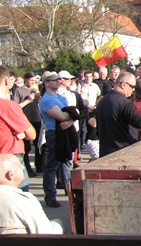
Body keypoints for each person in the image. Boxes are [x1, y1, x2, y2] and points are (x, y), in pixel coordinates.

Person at [0, 154, 63, 234]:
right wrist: (59, 224)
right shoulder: (22, 200)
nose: (23, 167)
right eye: (19, 165)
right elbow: (47, 234)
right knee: (58, 224)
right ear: (11, 175)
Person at [39, 72, 75, 208]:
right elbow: (61, 115)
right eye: (54, 80)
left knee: (67, 162)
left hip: (64, 132)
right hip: (54, 133)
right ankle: (50, 195)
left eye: (58, 79)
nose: (58, 81)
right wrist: (69, 116)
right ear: (46, 83)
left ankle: (69, 191)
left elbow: (73, 114)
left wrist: (70, 120)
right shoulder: (46, 99)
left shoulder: (61, 97)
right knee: (52, 165)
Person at [0, 66, 37, 192]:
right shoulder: (8, 106)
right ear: (6, 81)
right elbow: (31, 134)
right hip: (9, 159)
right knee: (19, 198)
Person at [11, 71, 41, 177]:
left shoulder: (35, 89)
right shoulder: (19, 90)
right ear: (25, 79)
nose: (32, 82)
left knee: (38, 145)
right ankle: (27, 168)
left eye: (34, 80)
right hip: (25, 119)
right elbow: (16, 106)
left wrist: (38, 98)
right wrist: (28, 100)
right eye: (30, 80)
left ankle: (39, 166)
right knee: (27, 147)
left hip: (36, 118)